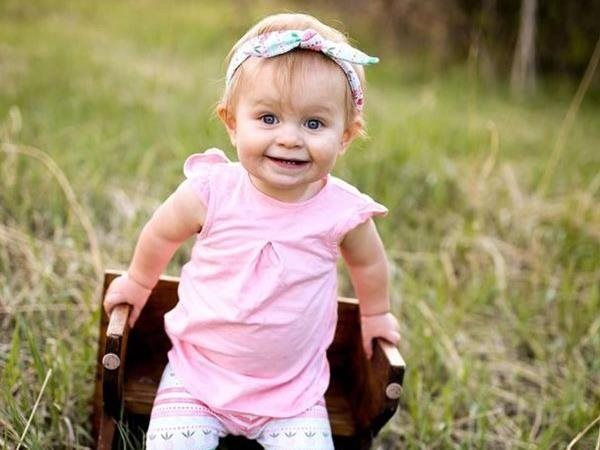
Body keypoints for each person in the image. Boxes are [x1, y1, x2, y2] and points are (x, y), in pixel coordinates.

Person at [103, 12, 400, 450]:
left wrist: (374, 315)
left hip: (294, 392)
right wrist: (138, 280)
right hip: (198, 375)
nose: (290, 139)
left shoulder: (340, 211)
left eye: (314, 124)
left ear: (346, 137)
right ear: (231, 122)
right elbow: (161, 233)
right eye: (267, 118)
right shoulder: (211, 192)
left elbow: (369, 263)